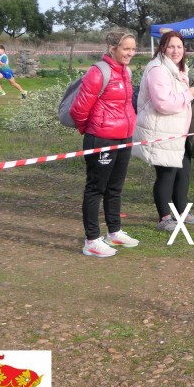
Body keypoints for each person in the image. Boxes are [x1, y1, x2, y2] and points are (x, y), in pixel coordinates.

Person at [69, 30, 140, 258]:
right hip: (101, 138)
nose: (130, 53)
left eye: (133, 49)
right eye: (126, 49)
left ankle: (114, 232)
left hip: (124, 137)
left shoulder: (126, 72)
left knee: (115, 187)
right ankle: (91, 240)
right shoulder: (98, 72)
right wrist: (93, 131)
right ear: (113, 49)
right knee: (95, 188)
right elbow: (78, 109)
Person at [133, 31, 194, 232]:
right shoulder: (158, 70)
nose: (176, 51)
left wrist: (190, 95)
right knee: (167, 174)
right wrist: (188, 94)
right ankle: (164, 217)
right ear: (162, 48)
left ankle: (181, 212)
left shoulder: (177, 69)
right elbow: (163, 103)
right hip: (160, 129)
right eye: (171, 46)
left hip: (177, 129)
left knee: (183, 171)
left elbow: (176, 96)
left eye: (179, 46)